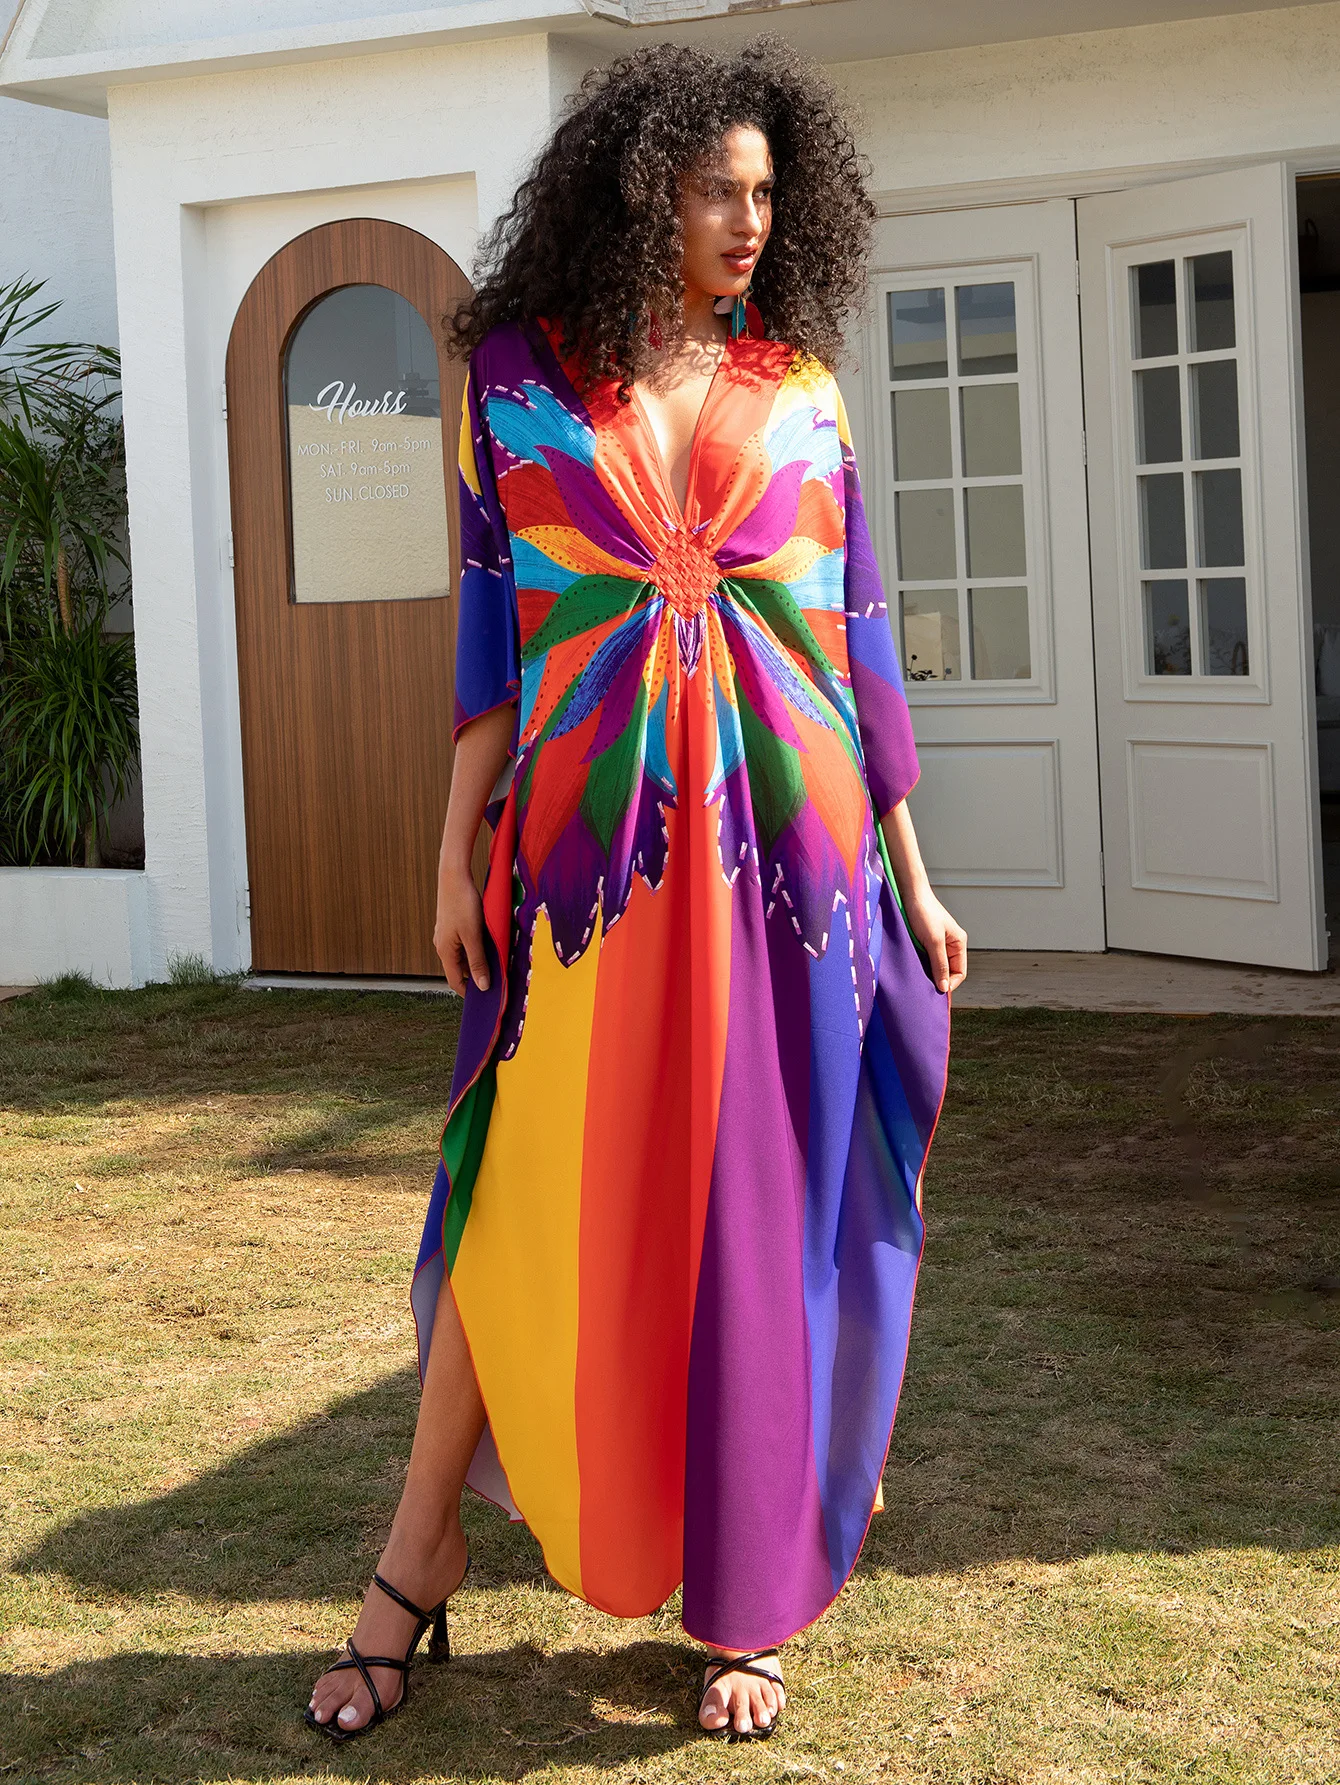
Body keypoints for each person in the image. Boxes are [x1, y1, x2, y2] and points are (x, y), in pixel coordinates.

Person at [306, 34, 966, 1747]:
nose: (749, 221)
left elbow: (855, 638)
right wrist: (450, 849)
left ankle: (750, 1600)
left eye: (768, 193)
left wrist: (914, 872)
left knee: (761, 1215)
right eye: (716, 189)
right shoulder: (516, 382)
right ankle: (419, 1548)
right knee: (518, 1197)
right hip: (586, 870)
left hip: (793, 873)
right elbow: (497, 635)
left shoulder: (803, 388)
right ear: (639, 187)